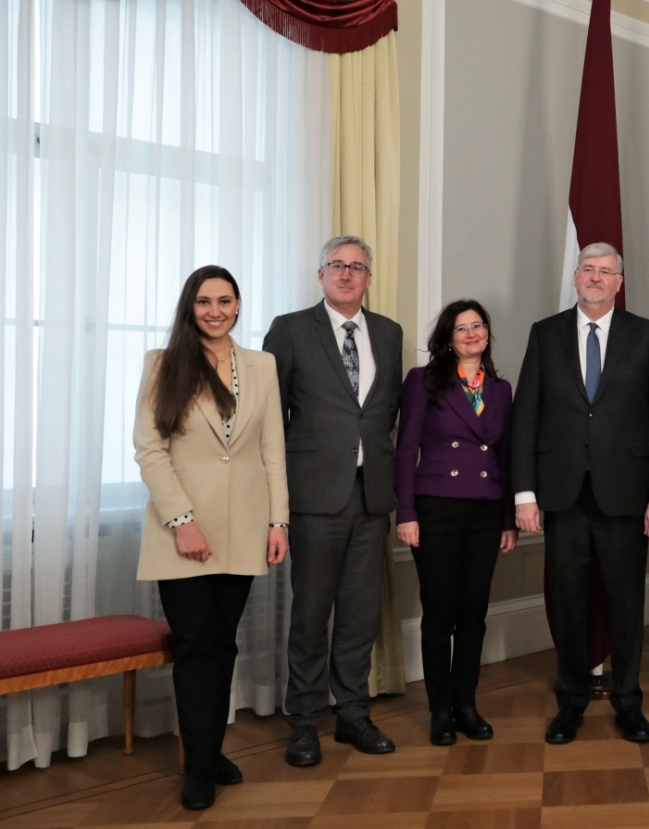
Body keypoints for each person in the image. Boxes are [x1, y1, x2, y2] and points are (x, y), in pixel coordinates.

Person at [133, 266, 289, 810]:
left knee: (224, 642)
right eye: (204, 301)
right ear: (190, 306)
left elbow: (273, 450)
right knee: (197, 646)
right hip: (182, 533)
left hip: (245, 529)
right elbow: (149, 450)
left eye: (225, 300)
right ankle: (199, 766)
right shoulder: (163, 365)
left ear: (239, 306)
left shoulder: (262, 366)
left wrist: (279, 522)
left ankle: (211, 748)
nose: (215, 310)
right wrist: (182, 521)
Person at [511, 242, 649, 745]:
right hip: (562, 496)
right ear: (576, 276)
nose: (597, 278)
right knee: (569, 603)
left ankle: (629, 703)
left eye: (606, 272)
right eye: (588, 269)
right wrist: (524, 493)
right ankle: (571, 704)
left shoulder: (647, 336)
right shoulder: (545, 334)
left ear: (619, 282)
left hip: (627, 498)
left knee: (626, 605)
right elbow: (526, 418)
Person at [264, 235, 404, 766]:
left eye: (357, 267)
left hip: (372, 499)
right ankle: (303, 723)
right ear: (320, 273)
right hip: (313, 498)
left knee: (360, 616)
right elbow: (269, 416)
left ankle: (352, 714)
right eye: (337, 266)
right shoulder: (291, 329)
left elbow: (385, 411)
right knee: (311, 616)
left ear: (370, 277)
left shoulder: (388, 334)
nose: (347, 274)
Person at [395, 299, 518, 747]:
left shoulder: (501, 390)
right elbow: (406, 450)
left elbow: (505, 457)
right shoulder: (423, 381)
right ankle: (440, 710)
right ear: (448, 337)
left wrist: (508, 519)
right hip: (435, 508)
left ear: (487, 334)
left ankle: (467, 703)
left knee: (473, 612)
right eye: (461, 327)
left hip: (486, 510)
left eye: (478, 325)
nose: (471, 333)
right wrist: (405, 512)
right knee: (440, 612)